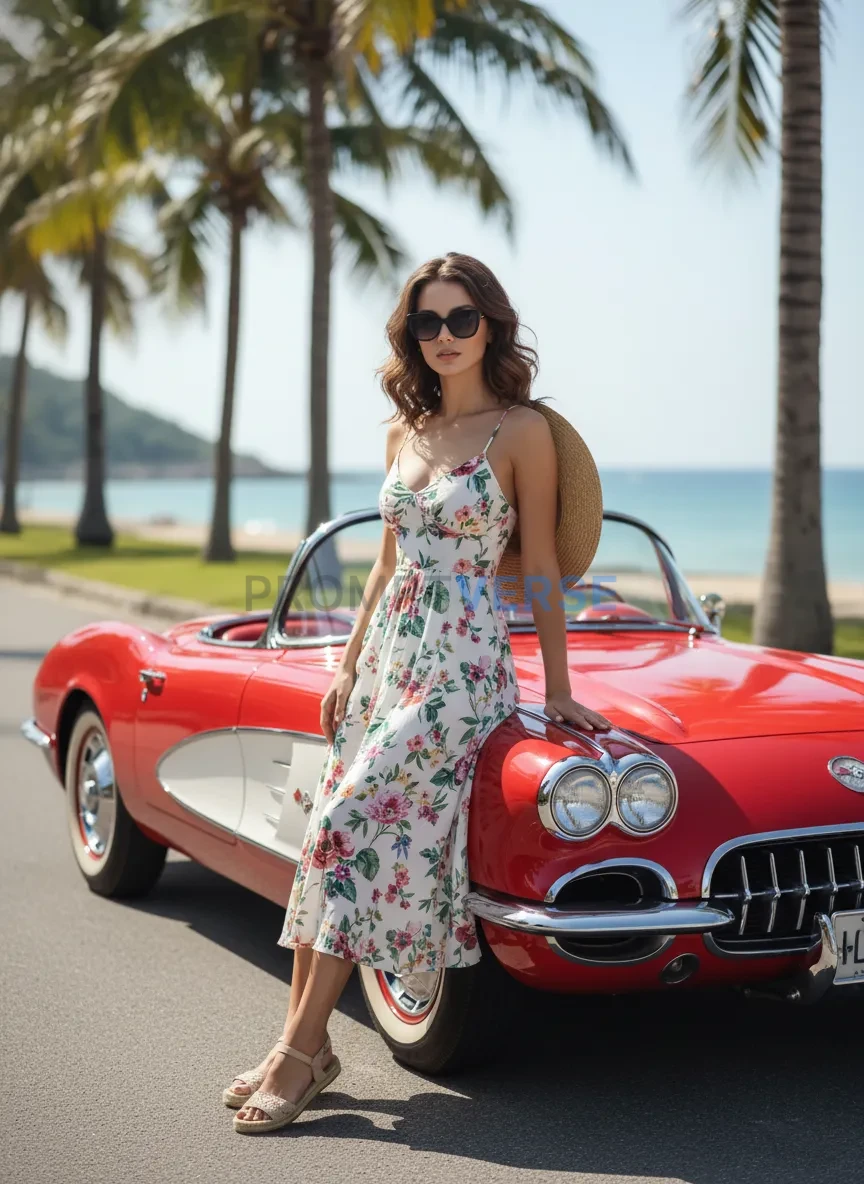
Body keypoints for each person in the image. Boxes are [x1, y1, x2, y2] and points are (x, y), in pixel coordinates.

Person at [228, 252, 613, 1133]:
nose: (444, 338)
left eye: (461, 320)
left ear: (492, 326)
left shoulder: (520, 433)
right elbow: (388, 561)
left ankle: (295, 1056)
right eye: (427, 324)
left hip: (463, 664)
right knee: (327, 835)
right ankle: (306, 1047)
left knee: (342, 829)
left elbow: (544, 564)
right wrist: (346, 660)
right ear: (413, 336)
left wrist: (557, 689)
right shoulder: (402, 433)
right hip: (388, 660)